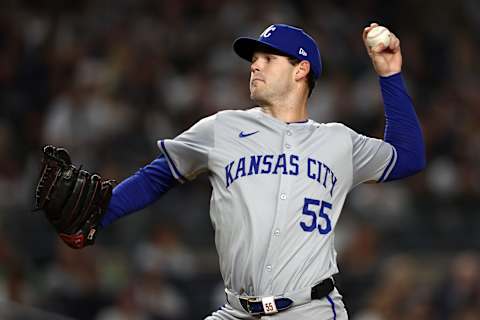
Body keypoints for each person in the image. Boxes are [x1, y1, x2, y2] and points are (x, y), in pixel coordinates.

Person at [98, 23, 426, 319]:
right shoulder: (221, 127)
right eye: (254, 59)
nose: (254, 65)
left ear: (301, 69)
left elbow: (409, 157)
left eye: (268, 59)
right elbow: (157, 176)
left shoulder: (339, 141)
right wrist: (100, 214)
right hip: (236, 311)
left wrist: (389, 75)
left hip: (310, 311)